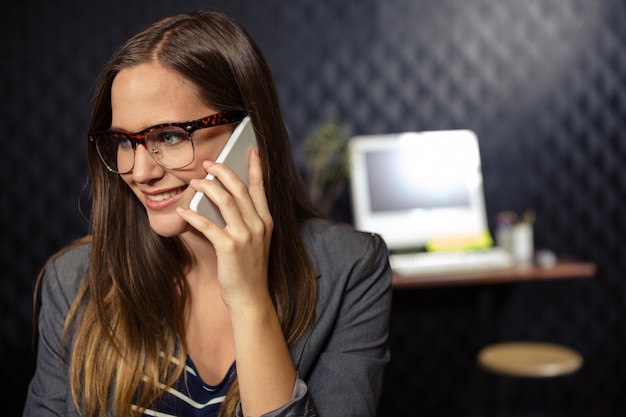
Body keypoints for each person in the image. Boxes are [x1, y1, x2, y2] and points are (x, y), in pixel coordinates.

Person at [23, 8, 392, 417]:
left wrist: (250, 300)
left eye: (170, 136)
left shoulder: (351, 268)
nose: (140, 172)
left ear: (247, 133)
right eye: (124, 142)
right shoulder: (73, 281)